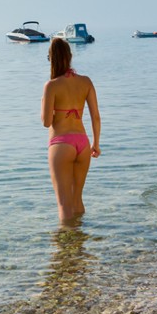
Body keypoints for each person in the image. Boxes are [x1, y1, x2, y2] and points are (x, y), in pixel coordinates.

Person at [41, 38, 101, 222]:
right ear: (70, 56)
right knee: (77, 201)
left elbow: (46, 122)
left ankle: (66, 248)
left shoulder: (51, 85)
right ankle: (79, 244)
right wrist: (95, 144)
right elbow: (96, 117)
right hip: (82, 143)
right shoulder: (86, 82)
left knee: (63, 204)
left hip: (61, 144)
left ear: (51, 59)